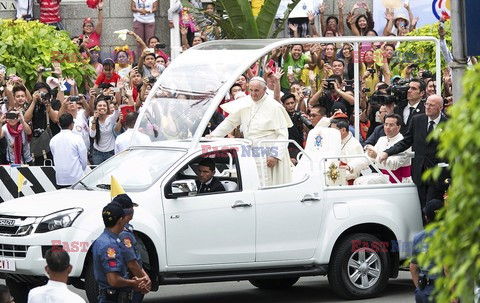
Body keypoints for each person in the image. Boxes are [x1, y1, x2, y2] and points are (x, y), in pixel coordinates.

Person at [210, 77, 293, 186]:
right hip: (251, 149)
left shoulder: (274, 106)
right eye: (251, 90)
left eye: (257, 91)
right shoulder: (245, 103)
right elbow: (230, 122)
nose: (253, 94)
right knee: (254, 182)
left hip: (269, 150)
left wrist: (275, 155)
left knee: (271, 183)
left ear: (264, 90)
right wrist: (213, 135)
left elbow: (283, 134)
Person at [379, 95, 448, 211]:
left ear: (440, 108)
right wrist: (388, 152)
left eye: (431, 105)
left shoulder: (448, 124)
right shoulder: (417, 120)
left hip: (438, 175)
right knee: (420, 209)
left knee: (431, 208)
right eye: (426, 104)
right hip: (419, 173)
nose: (427, 107)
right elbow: (406, 141)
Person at [93, 202, 148, 302]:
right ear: (120, 220)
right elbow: (113, 280)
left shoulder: (102, 240)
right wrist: (133, 283)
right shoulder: (110, 246)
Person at [113, 194, 151, 302]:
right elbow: (131, 263)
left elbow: (135, 260)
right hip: (129, 284)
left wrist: (144, 275)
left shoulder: (117, 229)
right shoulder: (124, 234)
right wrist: (144, 281)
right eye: (132, 208)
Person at [355, 114, 411, 185]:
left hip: (399, 180)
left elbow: (393, 165)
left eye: (391, 125)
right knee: (358, 181)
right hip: (385, 176)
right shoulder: (382, 140)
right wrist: (351, 167)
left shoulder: (403, 143)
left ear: (398, 127)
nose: (387, 127)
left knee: (366, 182)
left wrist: (376, 156)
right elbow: (367, 158)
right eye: (386, 124)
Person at [410, 199, 443, 303]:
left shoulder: (418, 238)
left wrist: (419, 289)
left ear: (426, 217)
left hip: (424, 291)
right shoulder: (448, 237)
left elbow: (413, 268)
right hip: (442, 292)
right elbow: (447, 268)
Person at [49, 113, 87, 188]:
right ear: (72, 124)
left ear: (59, 124)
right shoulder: (77, 138)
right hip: (76, 177)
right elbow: (83, 160)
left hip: (61, 178)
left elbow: (54, 156)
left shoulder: (53, 140)